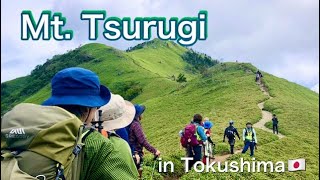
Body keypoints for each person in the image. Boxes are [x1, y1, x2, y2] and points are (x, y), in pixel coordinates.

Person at [128, 104, 161, 178]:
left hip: (131, 152)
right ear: (138, 115)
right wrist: (154, 151)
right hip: (136, 155)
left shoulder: (129, 123)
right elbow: (142, 140)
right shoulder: (135, 125)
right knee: (138, 175)